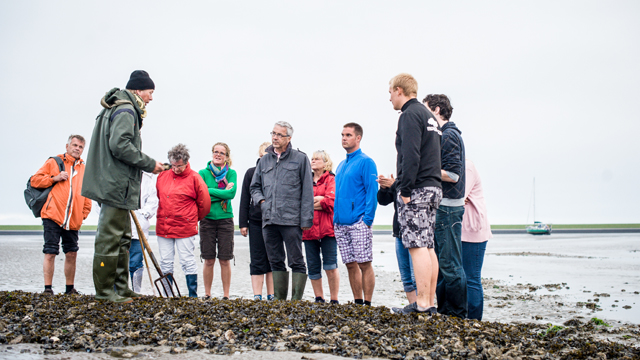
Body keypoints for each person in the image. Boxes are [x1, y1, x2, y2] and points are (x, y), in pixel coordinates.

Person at [82, 70, 165, 303]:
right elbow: (119, 145)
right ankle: (105, 292)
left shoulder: (117, 106)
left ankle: (121, 287)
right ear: (138, 90)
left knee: (122, 237)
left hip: (117, 184)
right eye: (150, 92)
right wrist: (150, 164)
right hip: (114, 184)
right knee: (110, 238)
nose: (151, 97)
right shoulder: (126, 110)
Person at [388, 73, 442, 315]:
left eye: (390, 92)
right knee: (428, 245)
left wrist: (405, 189)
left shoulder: (409, 115)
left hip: (418, 187)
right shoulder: (429, 116)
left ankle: (422, 303)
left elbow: (410, 155)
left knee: (417, 245)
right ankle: (430, 301)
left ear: (399, 90)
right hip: (434, 186)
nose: (389, 99)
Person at [250, 121, 314, 301]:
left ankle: (295, 301)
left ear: (289, 138)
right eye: (273, 133)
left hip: (291, 220)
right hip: (269, 219)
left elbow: (308, 191)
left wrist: (306, 220)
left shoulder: (300, 159)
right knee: (275, 260)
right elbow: (254, 187)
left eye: (279, 135)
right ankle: (279, 300)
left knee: (296, 261)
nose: (275, 137)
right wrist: (261, 201)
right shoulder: (264, 160)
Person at [31, 135, 92, 295]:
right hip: (52, 215)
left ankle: (69, 288)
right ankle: (47, 288)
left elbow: (87, 195)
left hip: (73, 219)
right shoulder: (54, 162)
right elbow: (34, 180)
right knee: (50, 252)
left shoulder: (84, 169)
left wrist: (83, 214)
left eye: (80, 147)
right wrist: (54, 178)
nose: (77, 148)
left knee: (72, 253)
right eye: (75, 145)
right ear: (67, 146)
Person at [424, 93, 467, 319]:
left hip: (448, 207)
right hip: (444, 207)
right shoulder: (445, 135)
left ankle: (458, 315)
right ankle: (445, 311)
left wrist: (425, 170)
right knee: (443, 266)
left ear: (437, 110)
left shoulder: (449, 135)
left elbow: (453, 174)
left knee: (451, 266)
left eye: (426, 109)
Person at [156, 144, 211, 297]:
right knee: (166, 261)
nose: (176, 169)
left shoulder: (194, 177)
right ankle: (168, 294)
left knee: (187, 260)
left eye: (179, 166)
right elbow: (158, 197)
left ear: (186, 162)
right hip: (164, 226)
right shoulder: (162, 176)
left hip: (185, 226)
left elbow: (204, 204)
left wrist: (191, 218)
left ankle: (192, 294)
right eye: (173, 165)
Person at [333, 123, 378, 306]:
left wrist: (367, 220)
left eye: (349, 135)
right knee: (350, 264)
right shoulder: (341, 165)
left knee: (364, 263)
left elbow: (372, 191)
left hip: (359, 221)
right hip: (340, 223)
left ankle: (367, 303)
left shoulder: (366, 162)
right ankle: (357, 302)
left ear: (358, 138)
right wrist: (335, 219)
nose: (344, 138)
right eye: (343, 134)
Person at [198, 142, 237, 300]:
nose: (218, 155)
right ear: (212, 153)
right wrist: (221, 191)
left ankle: (226, 295)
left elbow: (231, 194)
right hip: (207, 219)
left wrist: (210, 192)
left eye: (222, 153)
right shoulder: (202, 173)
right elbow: (201, 194)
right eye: (216, 152)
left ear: (226, 156)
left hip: (225, 219)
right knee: (208, 259)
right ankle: (207, 293)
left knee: (225, 259)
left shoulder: (231, 173)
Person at [239, 142, 275, 301]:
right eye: (263, 157)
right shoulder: (250, 173)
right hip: (255, 222)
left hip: (275, 222)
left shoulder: (278, 173)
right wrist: (243, 223)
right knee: (257, 258)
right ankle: (257, 295)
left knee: (273, 259)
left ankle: (272, 294)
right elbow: (244, 200)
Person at [302, 150, 339, 304]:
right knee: (313, 266)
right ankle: (319, 297)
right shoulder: (305, 181)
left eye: (317, 159)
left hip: (327, 230)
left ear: (326, 163)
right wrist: (318, 201)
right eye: (312, 158)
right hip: (309, 230)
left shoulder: (331, 179)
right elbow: (301, 204)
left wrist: (317, 201)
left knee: (330, 265)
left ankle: (334, 299)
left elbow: (332, 202)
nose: (313, 161)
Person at [377, 175, 416, 304]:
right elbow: (383, 201)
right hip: (399, 231)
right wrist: (383, 188)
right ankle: (413, 307)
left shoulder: (415, 179)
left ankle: (422, 306)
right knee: (406, 278)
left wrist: (394, 185)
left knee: (416, 277)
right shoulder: (400, 180)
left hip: (415, 233)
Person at [461, 160, 492, 320]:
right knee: (461, 278)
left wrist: (455, 196)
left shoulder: (466, 166)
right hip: (460, 230)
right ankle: (464, 316)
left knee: (471, 278)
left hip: (474, 230)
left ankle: (474, 320)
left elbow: (459, 194)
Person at [129, 172, 158, 294]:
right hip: (118, 228)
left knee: (136, 262)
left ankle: (136, 291)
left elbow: (152, 201)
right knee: (117, 261)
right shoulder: (116, 172)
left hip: (138, 229)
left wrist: (142, 214)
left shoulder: (147, 179)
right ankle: (117, 291)